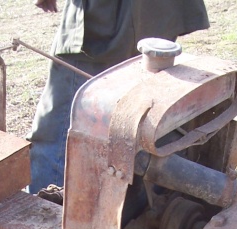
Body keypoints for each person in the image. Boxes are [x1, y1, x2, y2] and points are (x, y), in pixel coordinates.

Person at [28, 0, 209, 193]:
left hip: (107, 24)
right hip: (159, 13)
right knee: (141, 107)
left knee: (59, 129)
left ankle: (46, 213)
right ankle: (148, 203)